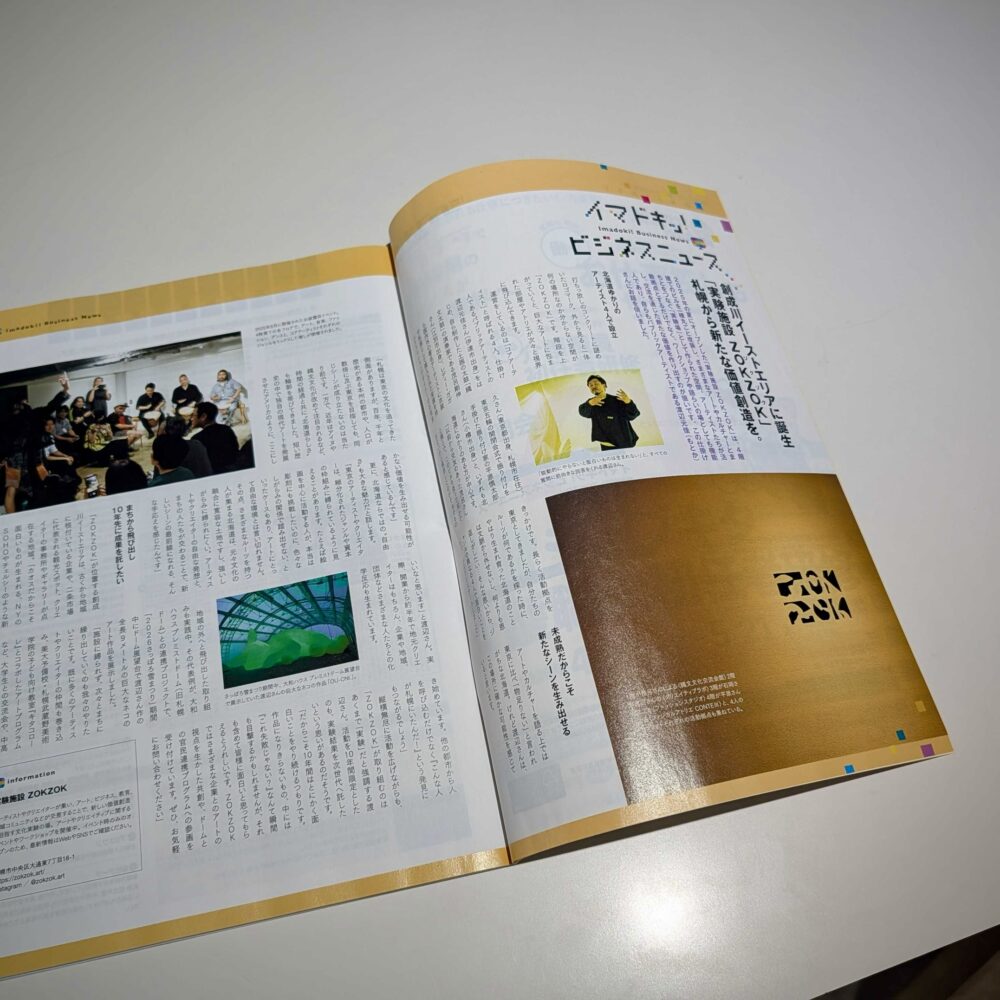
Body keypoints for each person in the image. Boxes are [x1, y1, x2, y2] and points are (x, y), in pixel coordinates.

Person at [578, 375, 640, 450]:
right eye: (591, 385)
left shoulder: (617, 400)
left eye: (596, 383)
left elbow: (633, 415)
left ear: (604, 385)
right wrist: (589, 403)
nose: (593, 386)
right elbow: (582, 412)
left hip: (625, 443)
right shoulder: (591, 403)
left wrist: (629, 402)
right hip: (607, 445)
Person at [191, 401, 239, 473]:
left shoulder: (197, 439)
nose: (191, 418)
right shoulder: (227, 429)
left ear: (203, 416)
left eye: (194, 415)